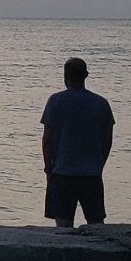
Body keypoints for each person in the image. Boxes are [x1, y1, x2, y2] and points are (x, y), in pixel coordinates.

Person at [40, 57, 114, 227]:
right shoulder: (101, 103)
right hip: (91, 174)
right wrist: (99, 164)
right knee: (96, 224)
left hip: (62, 173)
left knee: (63, 227)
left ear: (65, 76)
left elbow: (47, 140)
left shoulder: (55, 101)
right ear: (86, 75)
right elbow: (107, 140)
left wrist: (48, 168)